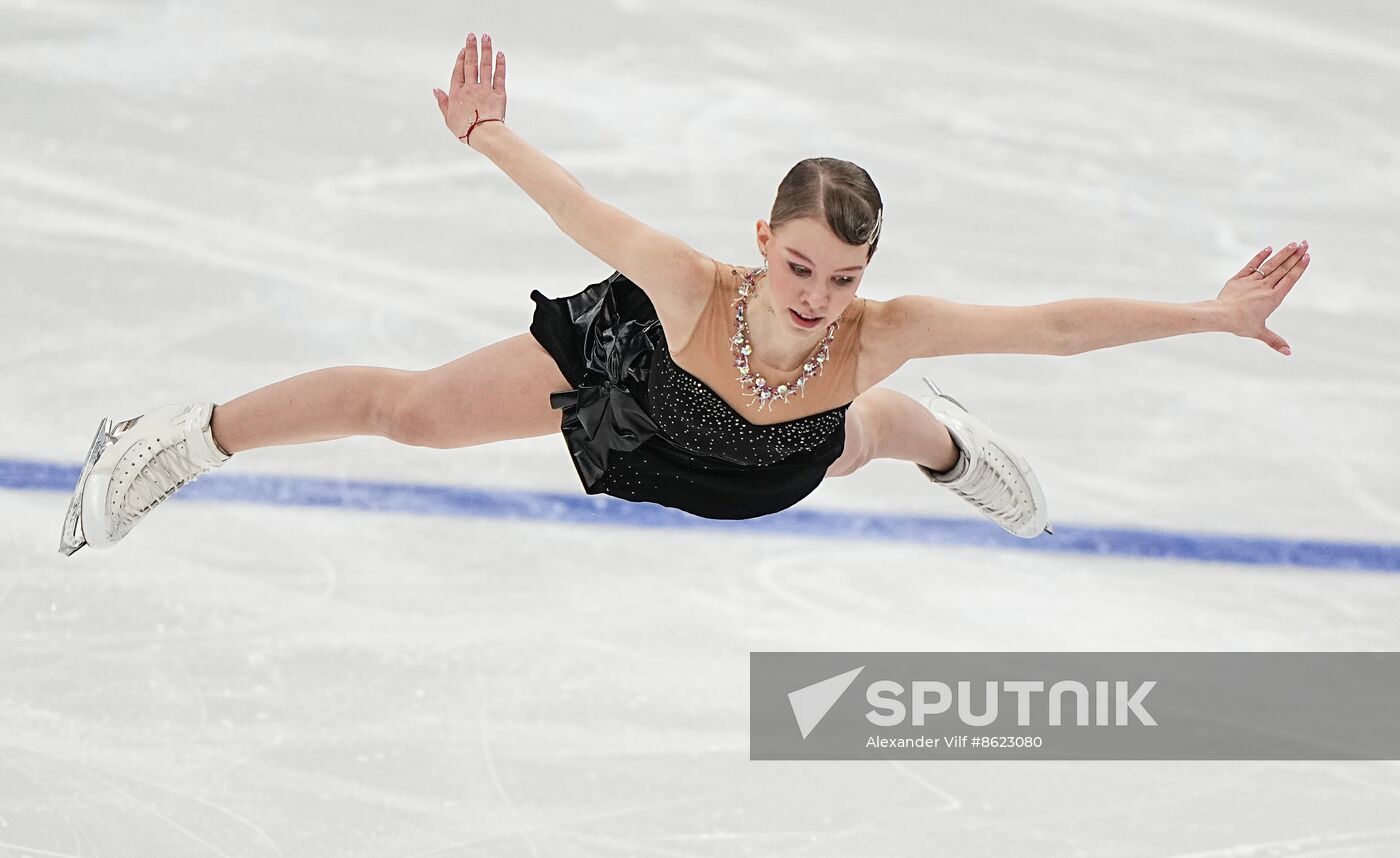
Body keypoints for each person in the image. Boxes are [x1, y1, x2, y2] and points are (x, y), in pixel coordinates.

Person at [57, 32, 1311, 555]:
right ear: (763, 240)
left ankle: (946, 443)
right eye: (801, 265)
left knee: (857, 432)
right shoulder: (689, 290)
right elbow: (578, 210)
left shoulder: (871, 332)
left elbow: (1050, 328)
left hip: (775, 459)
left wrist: (1209, 314)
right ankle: (171, 440)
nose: (818, 295)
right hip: (638, 391)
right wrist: (483, 135)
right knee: (414, 413)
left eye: (844, 276)